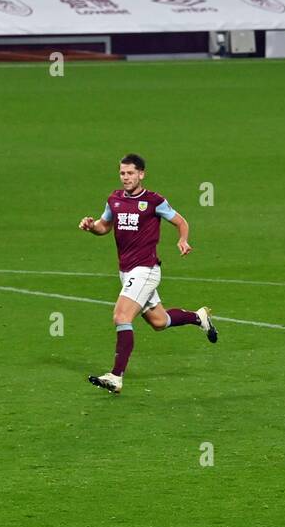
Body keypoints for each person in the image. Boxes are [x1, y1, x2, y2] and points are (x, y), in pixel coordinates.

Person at [77, 154, 217, 394]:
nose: (126, 178)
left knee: (121, 316)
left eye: (130, 173)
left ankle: (116, 376)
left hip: (146, 270)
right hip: (126, 271)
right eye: (122, 173)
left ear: (141, 174)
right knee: (159, 322)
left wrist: (183, 240)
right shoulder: (114, 200)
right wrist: (91, 227)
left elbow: (180, 221)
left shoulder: (154, 201)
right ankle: (198, 317)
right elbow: (104, 226)